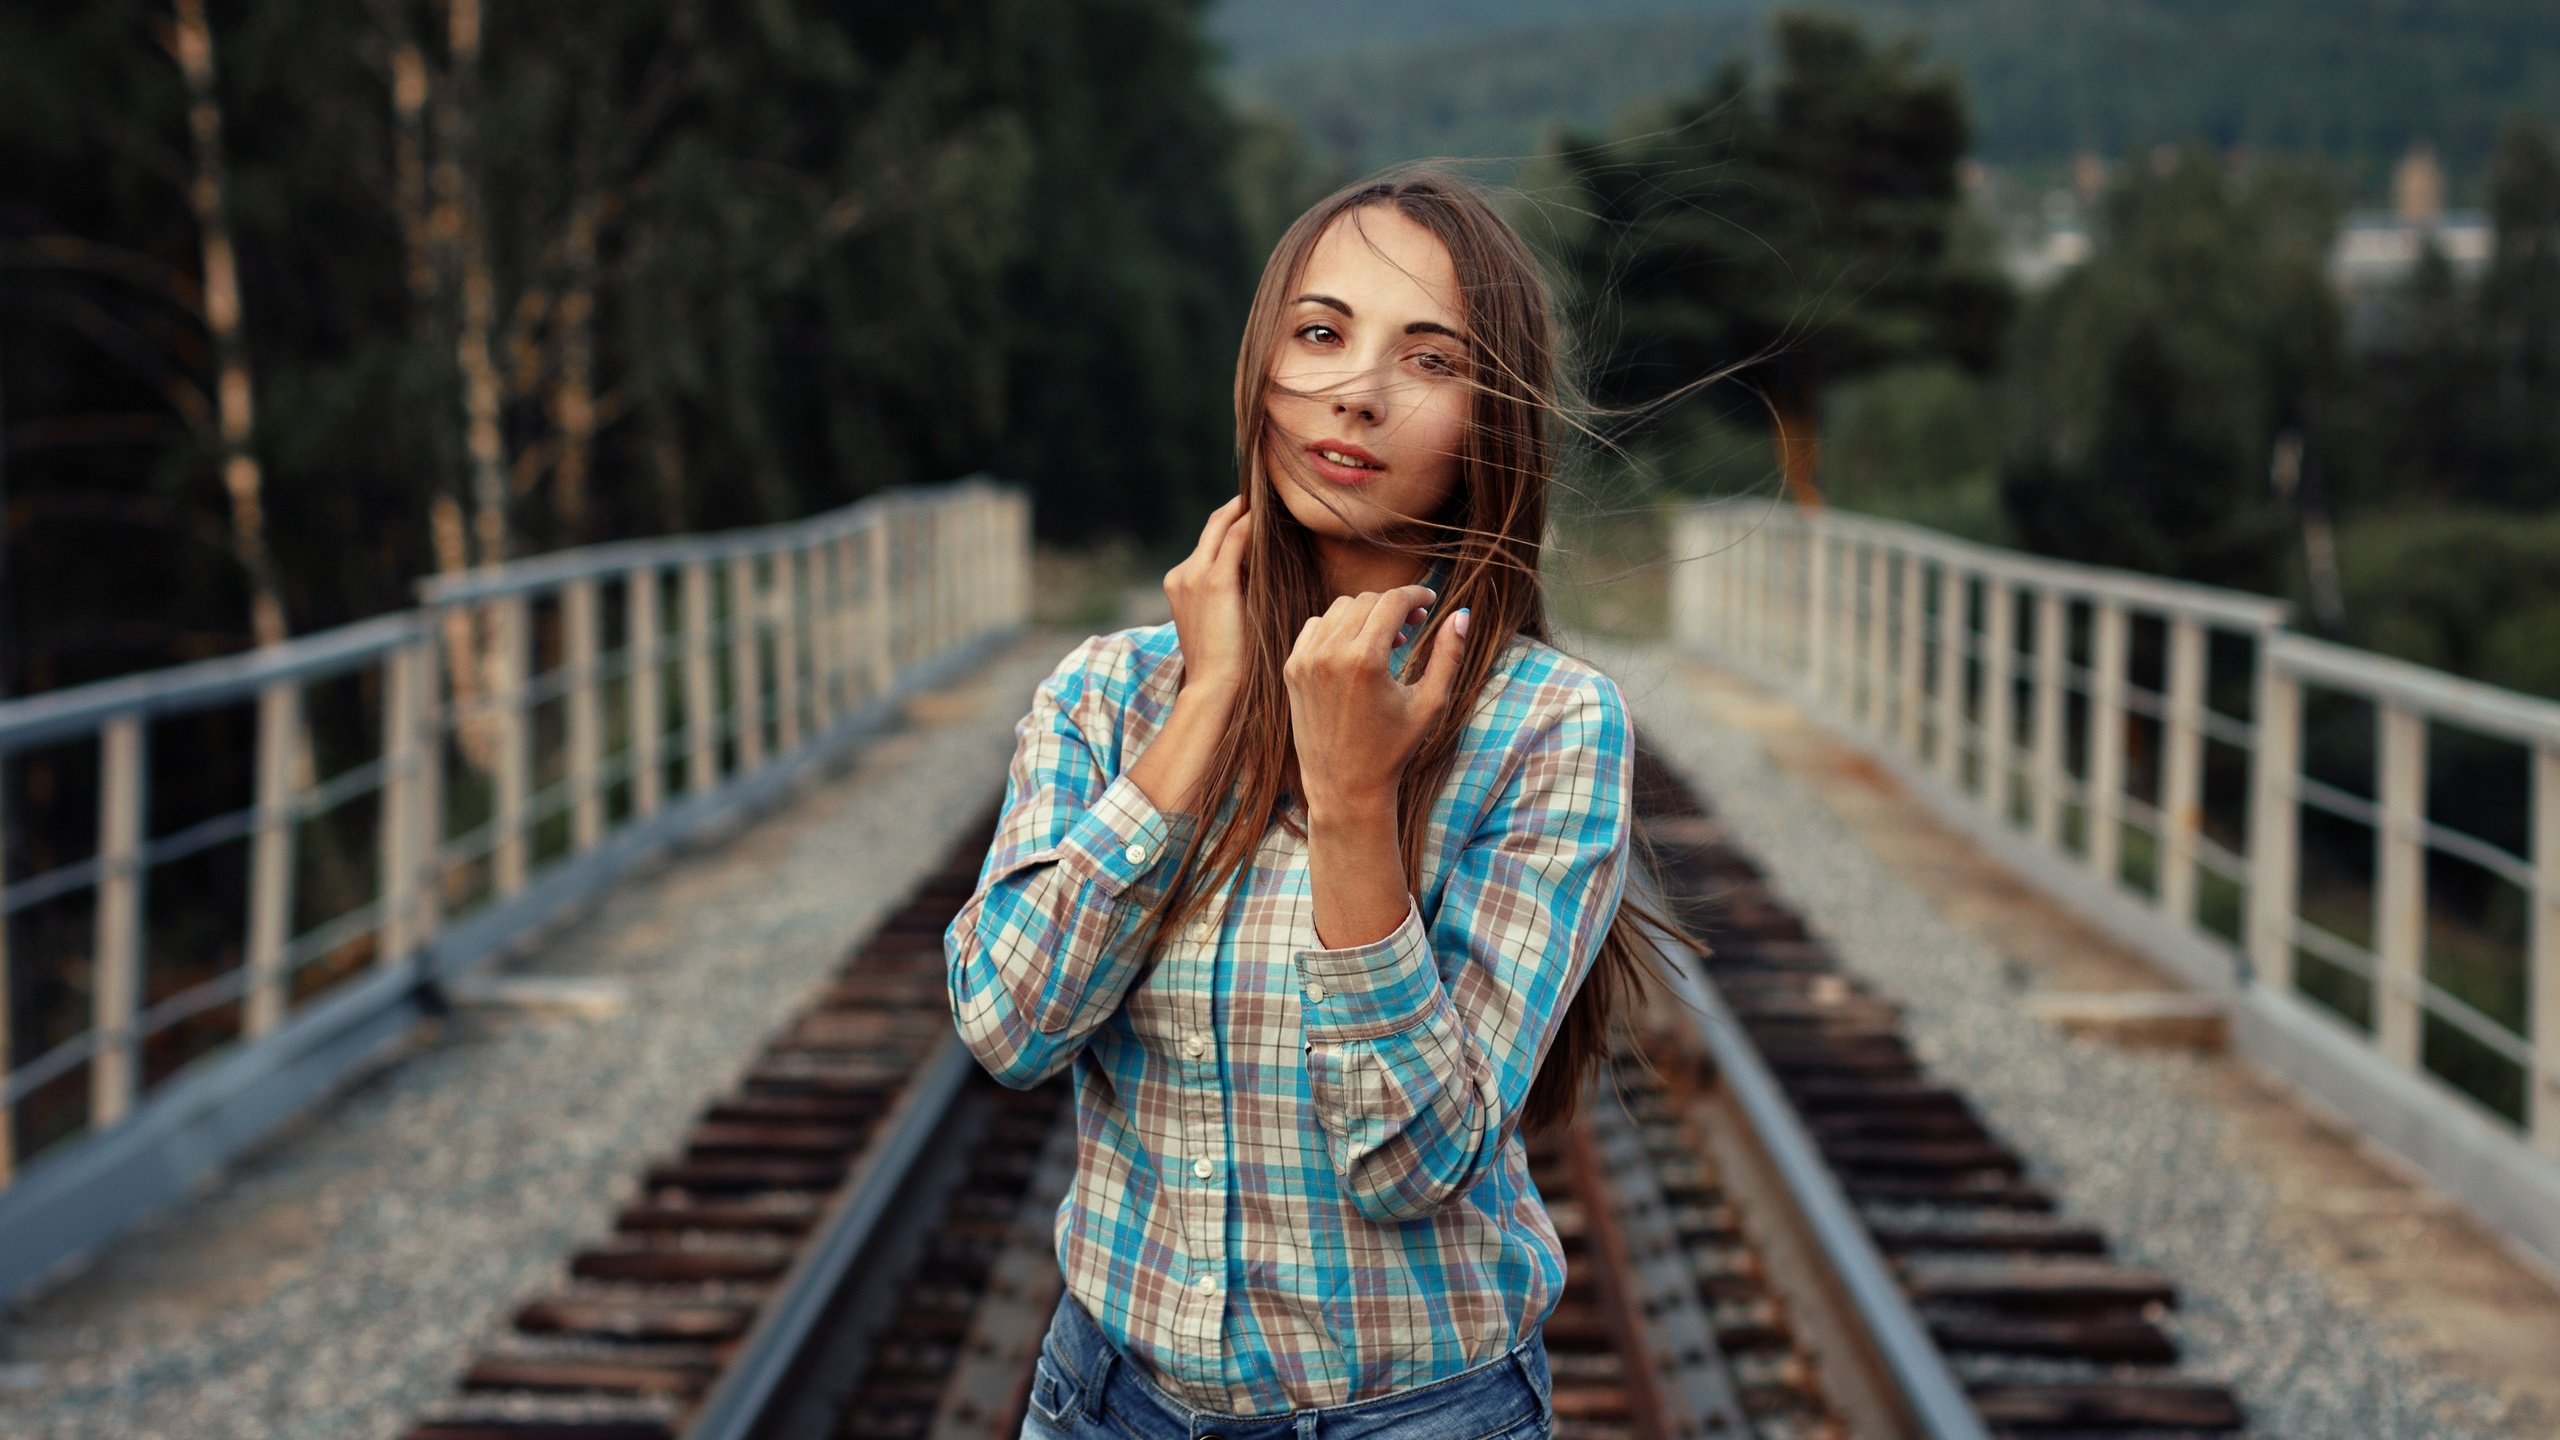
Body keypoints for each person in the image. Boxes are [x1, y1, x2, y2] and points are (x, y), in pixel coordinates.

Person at [943, 164, 1709, 1440]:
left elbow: (1410, 1161)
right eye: (1320, 333)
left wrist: (1354, 804)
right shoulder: (1110, 695)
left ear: (1488, 428)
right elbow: (1005, 1024)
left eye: (1430, 360)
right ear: (1262, 367)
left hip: (1411, 1417)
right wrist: (1204, 710)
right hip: (1109, 1406)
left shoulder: (1548, 729)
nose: (1356, 389)